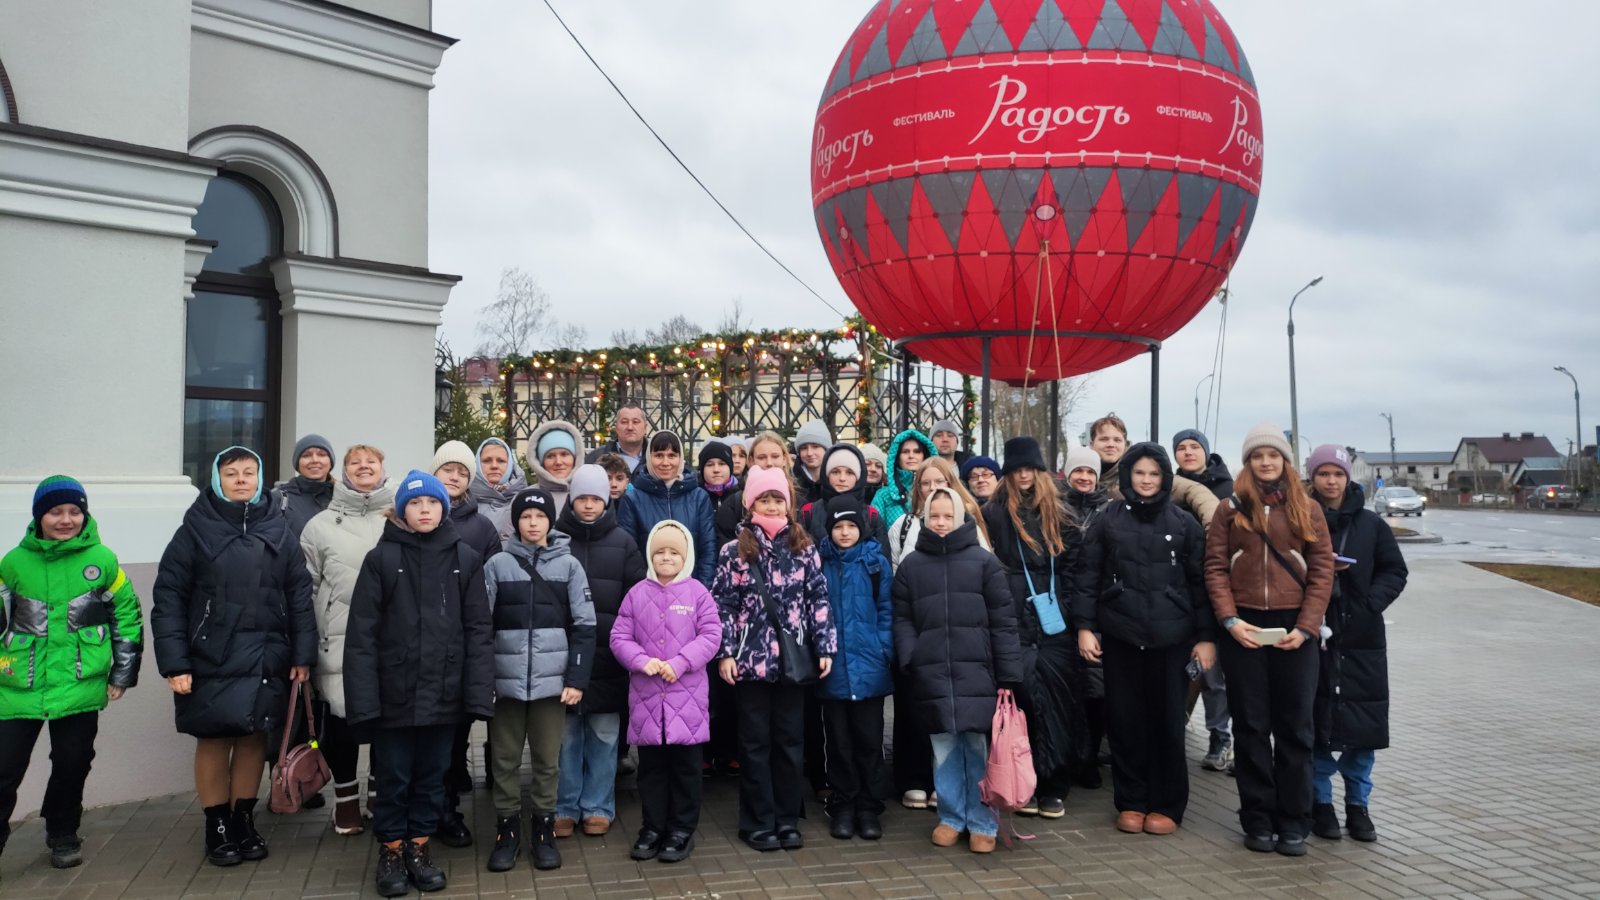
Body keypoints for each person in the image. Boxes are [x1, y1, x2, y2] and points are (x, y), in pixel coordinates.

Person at [152, 447, 316, 867]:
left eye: (248, 473)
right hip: (210, 654)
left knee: (252, 738)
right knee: (214, 736)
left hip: (267, 654)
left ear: (260, 479)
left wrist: (302, 654)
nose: (241, 480)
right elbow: (169, 597)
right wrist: (176, 662)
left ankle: (243, 819)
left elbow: (298, 595)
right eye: (231, 473)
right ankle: (217, 825)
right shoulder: (194, 530)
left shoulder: (277, 528)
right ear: (216, 479)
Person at [343, 470, 494, 897]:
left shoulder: (465, 558)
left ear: (443, 508)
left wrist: (478, 692)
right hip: (394, 694)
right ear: (401, 511)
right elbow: (361, 636)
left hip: (444, 693)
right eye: (415, 504)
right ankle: (391, 849)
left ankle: (420, 846)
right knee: (393, 776)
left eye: (431, 503)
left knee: (433, 776)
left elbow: (478, 629)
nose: (424, 510)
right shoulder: (382, 560)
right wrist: (364, 701)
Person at [1204, 423, 1334, 857]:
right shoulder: (1229, 508)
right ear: (1247, 462)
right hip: (1244, 630)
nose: (1265, 462)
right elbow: (1216, 568)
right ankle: (1257, 818)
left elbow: (1321, 572)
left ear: (1285, 461)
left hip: (1295, 629)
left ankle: (1294, 821)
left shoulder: (1308, 508)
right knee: (1251, 727)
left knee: (1296, 728)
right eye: (1257, 455)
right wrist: (1228, 620)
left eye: (1272, 455)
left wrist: (1306, 627)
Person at [0, 477, 142, 871]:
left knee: (72, 761)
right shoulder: (12, 563)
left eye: (74, 511)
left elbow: (126, 617)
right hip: (18, 683)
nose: (66, 520)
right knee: (5, 767)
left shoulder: (103, 560)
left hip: (80, 682)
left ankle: (63, 833)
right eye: (55, 512)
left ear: (85, 514)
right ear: (38, 516)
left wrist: (122, 673)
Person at [1074, 443, 1215, 836]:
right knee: (1125, 722)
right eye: (1140, 473)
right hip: (1121, 636)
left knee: (1168, 723)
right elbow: (1088, 576)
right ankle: (1131, 800)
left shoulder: (1183, 523)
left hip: (1172, 640)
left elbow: (1199, 584)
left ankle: (1168, 803)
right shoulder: (1108, 519)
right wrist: (1085, 627)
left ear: (1165, 478)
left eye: (1154, 474)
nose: (1147, 480)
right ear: (1127, 475)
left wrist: (1207, 638)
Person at [711, 466, 836, 852]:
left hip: (792, 663)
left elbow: (818, 598)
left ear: (788, 503)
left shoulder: (803, 545)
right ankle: (757, 821)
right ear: (750, 504)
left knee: (789, 742)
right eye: (764, 498)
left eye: (777, 498)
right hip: (750, 663)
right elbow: (723, 605)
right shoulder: (735, 550)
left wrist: (825, 645)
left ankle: (786, 818)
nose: (771, 504)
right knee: (754, 744)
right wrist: (726, 652)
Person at [892, 487, 1022, 854]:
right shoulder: (912, 566)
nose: (941, 522)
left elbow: (1004, 621)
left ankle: (983, 822)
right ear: (925, 518)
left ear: (961, 518)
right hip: (931, 673)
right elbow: (902, 617)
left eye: (948, 516)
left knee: (978, 749)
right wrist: (911, 656)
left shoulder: (984, 562)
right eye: (935, 516)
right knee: (944, 749)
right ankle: (951, 817)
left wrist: (1008, 675)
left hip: (978, 673)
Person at [483, 488, 596, 873]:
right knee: (505, 760)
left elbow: (585, 626)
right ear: (515, 521)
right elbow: (481, 626)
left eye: (540, 516)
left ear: (551, 521)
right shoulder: (497, 565)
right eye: (526, 517)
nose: (533, 523)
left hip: (553, 685)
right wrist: (486, 680)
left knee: (549, 761)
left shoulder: (569, 567)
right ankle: (507, 829)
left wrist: (576, 677)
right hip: (506, 683)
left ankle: (543, 829)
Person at [1305, 444, 1408, 844]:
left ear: (1348, 478)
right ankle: (1321, 804)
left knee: (1362, 727)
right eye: (1323, 474)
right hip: (1313, 635)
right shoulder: (1301, 519)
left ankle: (1358, 805)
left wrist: (1368, 605)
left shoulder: (1370, 524)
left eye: (1338, 474)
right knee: (1316, 724)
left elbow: (1394, 570)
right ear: (1311, 478)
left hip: (1362, 639)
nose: (1331, 481)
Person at [982, 436, 1089, 820]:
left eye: (1029, 468)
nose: (1024, 474)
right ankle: (1023, 780)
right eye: (1017, 469)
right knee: (1021, 700)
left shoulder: (1060, 514)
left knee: (1059, 700)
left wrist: (1073, 613)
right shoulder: (993, 513)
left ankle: (1054, 784)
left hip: (1055, 619)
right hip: (1012, 617)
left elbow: (1077, 567)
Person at [612, 521, 723, 864]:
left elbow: (711, 635)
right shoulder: (636, 593)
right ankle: (652, 827)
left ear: (685, 556)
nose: (666, 558)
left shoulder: (697, 593)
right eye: (659, 552)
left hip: (686, 700)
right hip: (647, 701)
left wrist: (681, 661)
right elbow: (619, 637)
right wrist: (641, 661)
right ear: (650, 554)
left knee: (687, 770)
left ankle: (681, 829)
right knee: (652, 771)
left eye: (674, 552)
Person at [299, 444, 394, 835]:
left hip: (391, 637)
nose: (364, 467)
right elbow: (306, 587)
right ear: (345, 472)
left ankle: (377, 792)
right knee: (341, 722)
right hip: (337, 636)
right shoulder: (319, 526)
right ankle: (346, 799)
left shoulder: (399, 516)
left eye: (372, 461)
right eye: (356, 462)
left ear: (384, 468)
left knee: (388, 720)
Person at [553, 465, 647, 839]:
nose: (589, 505)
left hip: (609, 655)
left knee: (606, 736)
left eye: (596, 498)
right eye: (582, 499)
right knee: (566, 736)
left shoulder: (623, 542)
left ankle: (597, 805)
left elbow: (636, 596)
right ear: (572, 500)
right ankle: (564, 806)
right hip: (565, 654)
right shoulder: (556, 539)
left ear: (606, 500)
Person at [430, 439, 502, 845]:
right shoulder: (417, 516)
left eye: (461, 471)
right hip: (424, 641)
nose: (454, 477)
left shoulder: (481, 526)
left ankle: (448, 808)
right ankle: (426, 809)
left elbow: (490, 587)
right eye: (447, 470)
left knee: (457, 731)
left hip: (464, 638)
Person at [814, 494, 893, 841]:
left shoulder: (875, 564)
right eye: (838, 527)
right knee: (839, 743)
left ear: (861, 528)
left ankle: (868, 806)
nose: (844, 532)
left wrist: (882, 649)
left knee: (869, 741)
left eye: (851, 526)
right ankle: (844, 804)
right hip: (832, 670)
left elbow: (888, 611)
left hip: (870, 667)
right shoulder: (818, 563)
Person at [1171, 428, 1235, 774]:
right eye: (1181, 448)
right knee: (1185, 669)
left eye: (1194, 446)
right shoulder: (1169, 487)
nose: (1188, 452)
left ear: (1206, 451)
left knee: (1213, 673)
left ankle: (1220, 737)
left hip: (1217, 588)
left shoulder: (1227, 489)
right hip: (1179, 589)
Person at [1063, 443, 1111, 788]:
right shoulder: (1055, 507)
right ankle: (1068, 757)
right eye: (1078, 470)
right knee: (1068, 689)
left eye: (1089, 472)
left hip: (1097, 609)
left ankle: (1089, 757)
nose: (1083, 477)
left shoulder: (1109, 511)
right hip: (1061, 607)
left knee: (1096, 689)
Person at [618, 431, 718, 588]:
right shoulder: (633, 499)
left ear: (680, 459)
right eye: (659, 455)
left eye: (671, 455)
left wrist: (701, 590)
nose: (665, 462)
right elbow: (630, 554)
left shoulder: (699, 498)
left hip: (691, 591)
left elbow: (708, 550)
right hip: (648, 591)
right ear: (649, 458)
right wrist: (645, 590)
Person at [1091, 415, 1219, 526]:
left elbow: (1195, 491)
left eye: (1117, 440)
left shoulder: (1140, 469)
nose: (1111, 444)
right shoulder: (1080, 475)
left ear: (1126, 444)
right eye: (1103, 439)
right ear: (1092, 444)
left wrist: (1215, 535)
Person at [888, 457, 990, 565]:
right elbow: (893, 567)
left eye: (939, 481)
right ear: (919, 488)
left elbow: (986, 567)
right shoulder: (904, 525)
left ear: (950, 483)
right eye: (925, 483)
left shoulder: (967, 523)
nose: (932, 487)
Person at [798, 443, 890, 557]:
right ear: (826, 475)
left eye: (850, 472)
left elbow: (884, 566)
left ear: (859, 476)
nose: (842, 478)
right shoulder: (808, 513)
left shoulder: (872, 516)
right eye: (835, 472)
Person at [715, 432, 790, 546]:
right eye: (761, 457)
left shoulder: (800, 502)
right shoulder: (733, 504)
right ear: (751, 461)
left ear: (784, 459)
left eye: (775, 456)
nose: (769, 463)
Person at [871, 429, 938, 528]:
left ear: (925, 456)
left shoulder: (937, 490)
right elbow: (874, 533)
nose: (911, 456)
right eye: (905, 452)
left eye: (917, 451)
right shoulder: (883, 496)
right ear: (897, 457)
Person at [274, 433, 335, 536]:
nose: (315, 460)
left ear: (330, 462)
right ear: (298, 463)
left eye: (321, 454)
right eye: (306, 455)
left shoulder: (343, 497)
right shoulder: (279, 499)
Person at [471, 437, 529, 542]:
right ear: (477, 464)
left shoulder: (527, 500)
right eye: (487, 461)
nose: (494, 466)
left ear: (510, 465)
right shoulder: (464, 501)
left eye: (501, 461)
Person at [528, 421, 586, 515]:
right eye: (550, 456)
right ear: (540, 462)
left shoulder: (590, 495)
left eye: (564, 454)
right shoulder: (528, 496)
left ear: (575, 458)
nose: (558, 462)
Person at [585, 403, 649, 474]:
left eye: (635, 422)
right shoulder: (596, 457)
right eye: (624, 422)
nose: (630, 427)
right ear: (616, 427)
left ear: (645, 427)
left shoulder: (657, 457)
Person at [792, 419, 833, 506]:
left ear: (826, 450)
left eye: (815, 446)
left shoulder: (836, 480)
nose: (809, 453)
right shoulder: (791, 482)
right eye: (804, 448)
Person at [697, 441, 740, 510]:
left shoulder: (743, 495)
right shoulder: (695, 497)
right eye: (710, 465)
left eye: (722, 464)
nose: (716, 470)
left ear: (730, 468)